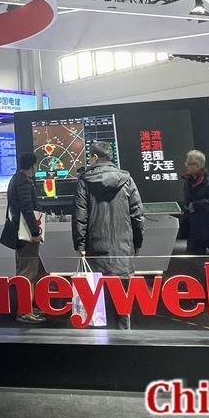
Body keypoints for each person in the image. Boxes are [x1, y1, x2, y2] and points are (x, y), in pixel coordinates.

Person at [73, 141, 144, 329]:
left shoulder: (84, 182)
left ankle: (99, 338)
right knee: (122, 299)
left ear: (95, 157)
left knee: (96, 298)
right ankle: (123, 334)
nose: (89, 160)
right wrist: (137, 243)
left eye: (90, 157)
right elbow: (137, 215)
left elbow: (80, 216)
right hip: (123, 247)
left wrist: (80, 245)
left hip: (95, 248)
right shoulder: (127, 180)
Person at [7, 152, 46, 324]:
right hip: (25, 234)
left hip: (22, 231)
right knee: (27, 273)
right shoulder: (23, 181)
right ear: (33, 165)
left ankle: (27, 306)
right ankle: (24, 311)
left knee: (29, 270)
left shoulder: (17, 179)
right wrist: (35, 232)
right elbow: (27, 208)